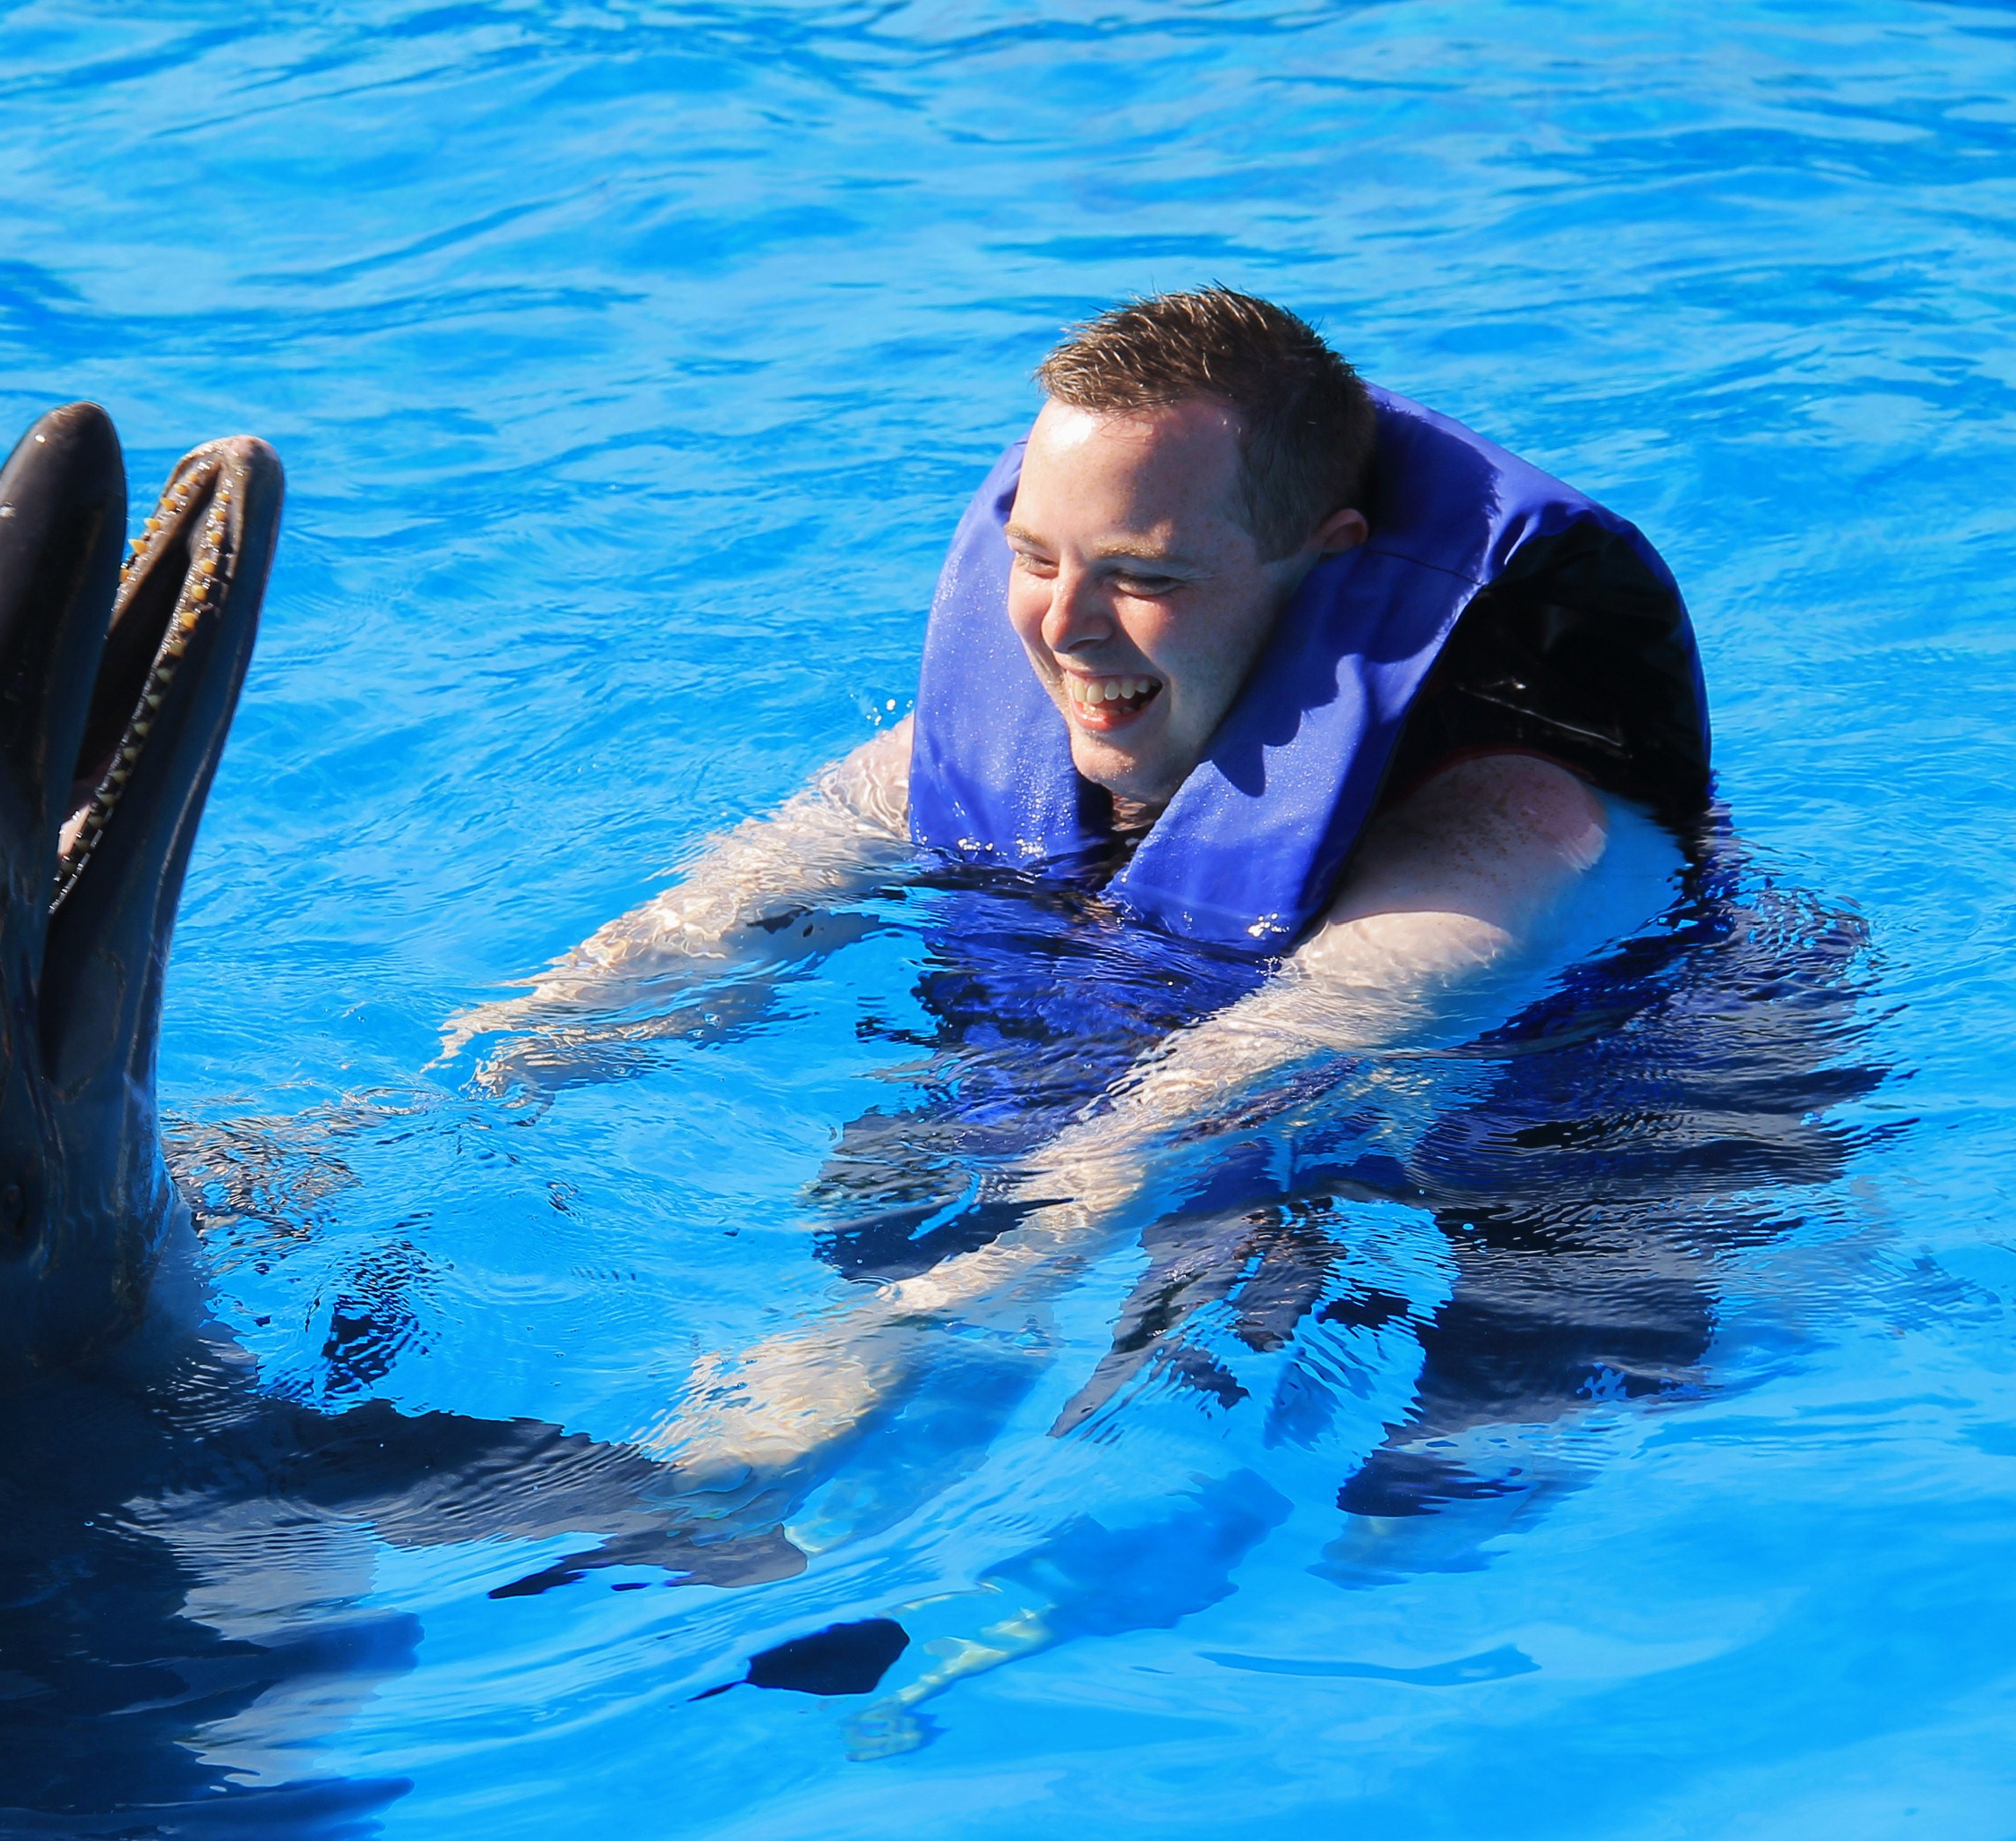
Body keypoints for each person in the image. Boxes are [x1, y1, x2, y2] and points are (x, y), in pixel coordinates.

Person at [448, 287, 1711, 1478]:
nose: (1062, 627)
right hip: (1134, 1115)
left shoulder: (1516, 836)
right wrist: (461, 1086)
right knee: (884, 1218)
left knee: (1338, 1500)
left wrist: (927, 1316)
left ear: (1329, 568)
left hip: (1550, 1172)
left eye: (1143, 576)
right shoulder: (997, 746)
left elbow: (1250, 1084)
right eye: (1036, 558)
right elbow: (700, 935)